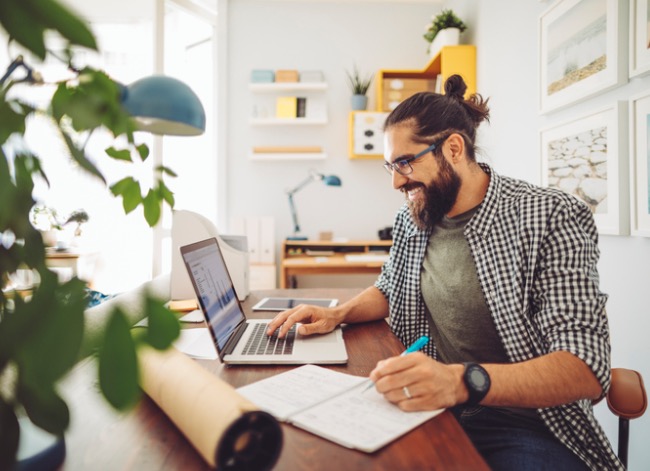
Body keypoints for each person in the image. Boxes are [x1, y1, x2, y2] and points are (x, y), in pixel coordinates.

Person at [266, 75, 621, 471]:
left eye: (405, 163)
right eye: (391, 167)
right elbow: (390, 287)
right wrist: (337, 314)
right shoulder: (417, 217)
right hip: (431, 410)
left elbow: (585, 366)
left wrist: (458, 382)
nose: (397, 181)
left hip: (525, 424)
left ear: (453, 148)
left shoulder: (550, 215)